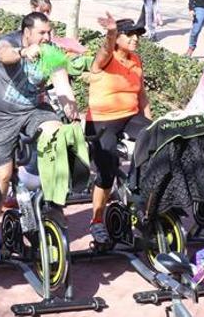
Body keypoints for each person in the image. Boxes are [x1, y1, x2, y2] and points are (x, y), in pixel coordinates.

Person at [0, 12, 78, 263]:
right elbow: (4, 54)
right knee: (1, 176)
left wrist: (70, 106)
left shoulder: (51, 51)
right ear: (27, 32)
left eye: (49, 32)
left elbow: (62, 84)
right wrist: (24, 53)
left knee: (57, 133)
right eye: (41, 33)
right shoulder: (10, 42)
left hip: (31, 111)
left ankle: (51, 201)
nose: (47, 37)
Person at [85, 14, 151, 245]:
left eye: (137, 36)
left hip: (130, 116)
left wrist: (151, 125)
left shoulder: (136, 60)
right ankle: (97, 220)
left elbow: (141, 95)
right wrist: (111, 33)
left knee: (157, 141)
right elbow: (105, 48)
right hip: (102, 121)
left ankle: (138, 196)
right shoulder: (105, 58)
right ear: (118, 38)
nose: (135, 39)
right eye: (130, 35)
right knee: (107, 169)